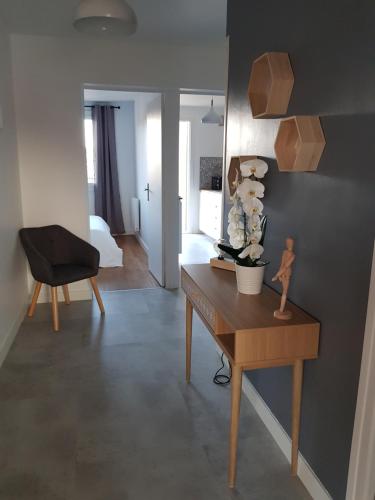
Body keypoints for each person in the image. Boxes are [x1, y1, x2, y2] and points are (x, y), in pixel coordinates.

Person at [272, 237, 295, 318]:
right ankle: (281, 310)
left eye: (289, 243)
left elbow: (285, 266)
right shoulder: (285, 252)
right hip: (283, 273)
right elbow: (282, 264)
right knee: (284, 292)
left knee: (284, 292)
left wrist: (277, 275)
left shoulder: (292, 255)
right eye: (287, 242)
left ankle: (281, 310)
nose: (288, 244)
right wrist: (279, 275)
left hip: (286, 273)